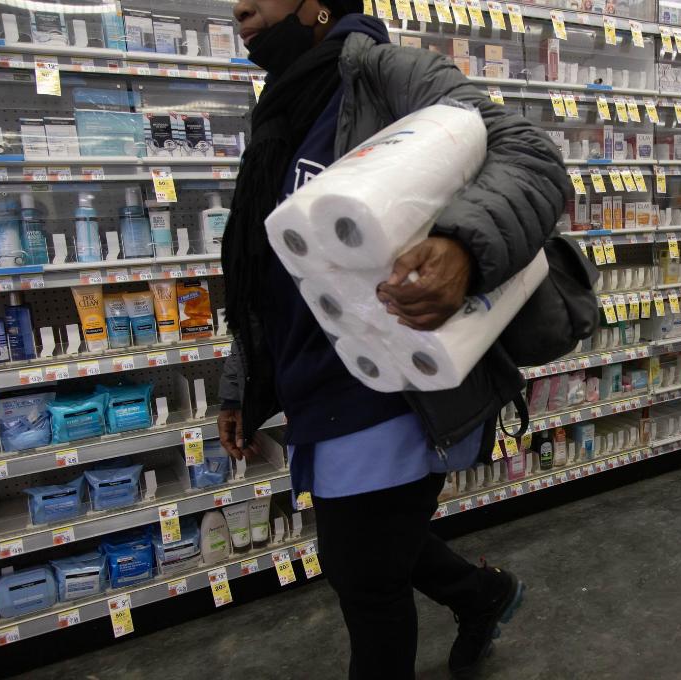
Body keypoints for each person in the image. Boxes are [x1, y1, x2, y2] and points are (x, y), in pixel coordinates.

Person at [217, 0, 568, 677]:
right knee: (370, 550)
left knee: (364, 577)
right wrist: (240, 383)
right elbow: (266, 276)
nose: (240, 6)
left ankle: (480, 596)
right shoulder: (278, 112)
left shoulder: (386, 74)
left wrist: (461, 245)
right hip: (314, 378)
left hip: (393, 382)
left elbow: (529, 155)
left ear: (319, 6)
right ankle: (482, 594)